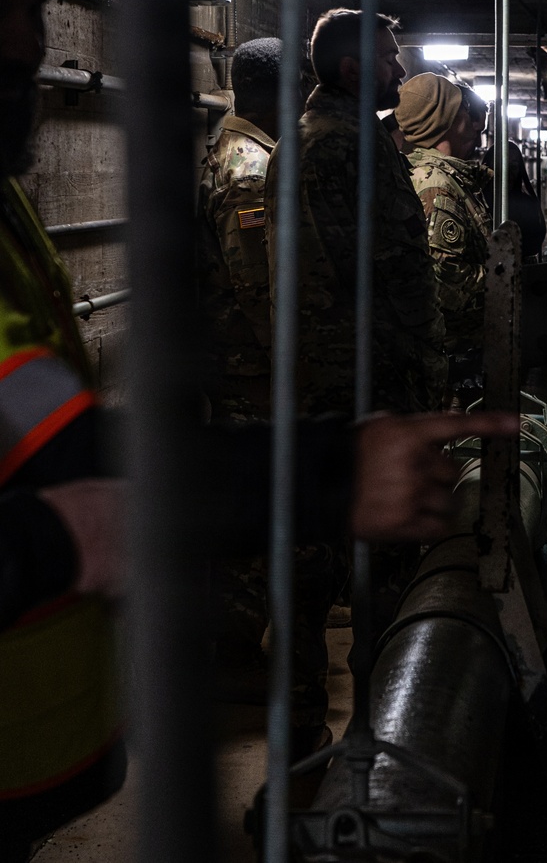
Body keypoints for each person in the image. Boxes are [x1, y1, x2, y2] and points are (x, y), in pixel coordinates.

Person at [0, 0, 516, 856]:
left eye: (37, 8)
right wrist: (319, 448)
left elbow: (43, 434)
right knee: (297, 601)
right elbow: (285, 298)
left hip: (33, 755)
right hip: (284, 397)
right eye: (8, 8)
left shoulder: (10, 205)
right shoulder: (301, 161)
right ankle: (306, 773)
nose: (30, 45)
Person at [267, 8, 447, 418]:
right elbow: (399, 263)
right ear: (352, 70)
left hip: (315, 372)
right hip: (371, 374)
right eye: (388, 59)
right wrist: (429, 351)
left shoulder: (296, 138)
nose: (400, 70)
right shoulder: (354, 143)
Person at [197, 36, 281, 696]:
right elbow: (257, 286)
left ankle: (235, 650)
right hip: (251, 369)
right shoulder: (249, 168)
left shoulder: (239, 154)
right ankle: (232, 659)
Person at [397, 76, 493, 382]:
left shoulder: (441, 176)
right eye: (462, 107)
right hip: (452, 360)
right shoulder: (436, 184)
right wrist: (505, 281)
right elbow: (444, 281)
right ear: (452, 118)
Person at [482, 139, 547, 259]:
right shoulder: (478, 202)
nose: (508, 173)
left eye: (513, 166)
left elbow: (534, 244)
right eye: (502, 165)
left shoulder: (527, 205)